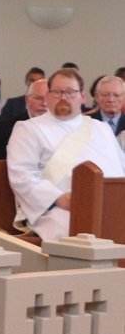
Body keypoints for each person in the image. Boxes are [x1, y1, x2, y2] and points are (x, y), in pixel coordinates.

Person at [7, 68, 125, 241]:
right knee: (77, 233)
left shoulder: (102, 128)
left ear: (83, 97)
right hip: (61, 208)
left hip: (114, 203)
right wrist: (58, 198)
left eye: (70, 92)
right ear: (48, 96)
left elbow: (122, 166)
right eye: (57, 92)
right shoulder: (28, 129)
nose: (63, 97)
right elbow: (21, 176)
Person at [0, 74, 49, 156]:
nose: (44, 103)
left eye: (49, 98)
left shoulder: (62, 128)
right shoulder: (5, 129)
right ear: (27, 100)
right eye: (38, 98)